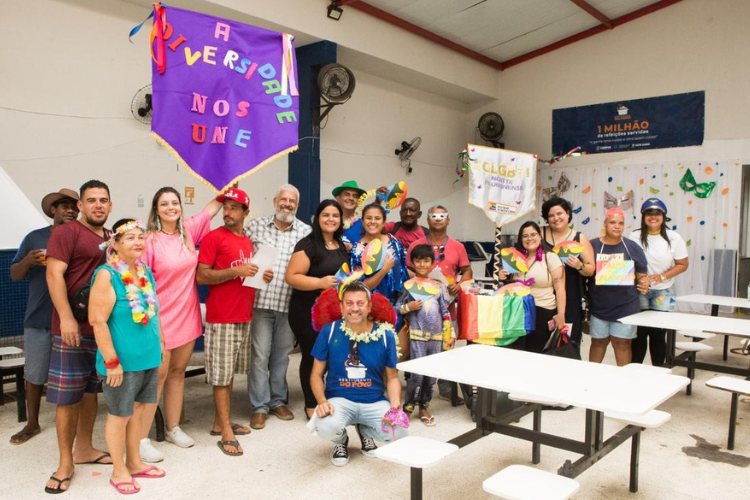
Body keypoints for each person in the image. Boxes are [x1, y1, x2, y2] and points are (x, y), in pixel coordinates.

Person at [138, 188, 223, 461]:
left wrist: (228, 185)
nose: (171, 207)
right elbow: (141, 284)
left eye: (175, 202)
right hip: (160, 319)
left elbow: (212, 207)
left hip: (187, 315)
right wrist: (151, 321)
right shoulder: (149, 240)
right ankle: (141, 438)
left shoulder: (189, 231)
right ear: (156, 209)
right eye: (164, 203)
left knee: (177, 373)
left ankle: (174, 428)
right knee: (157, 377)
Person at [44, 180, 114, 494]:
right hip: (71, 330)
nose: (98, 205)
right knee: (66, 398)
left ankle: (84, 448)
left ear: (110, 205)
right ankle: (64, 462)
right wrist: (68, 318)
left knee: (89, 393)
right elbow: (53, 273)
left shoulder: (113, 237)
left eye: (103, 200)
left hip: (101, 331)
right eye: (92, 200)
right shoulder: (67, 233)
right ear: (81, 206)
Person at [89, 219, 165, 494]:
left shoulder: (144, 271)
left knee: (140, 411)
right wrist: (111, 362)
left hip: (148, 357)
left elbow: (154, 312)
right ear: (115, 244)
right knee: (120, 414)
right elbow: (97, 321)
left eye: (140, 237)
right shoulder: (107, 275)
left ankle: (134, 462)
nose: (137, 242)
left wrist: (161, 345)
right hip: (121, 362)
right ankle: (118, 469)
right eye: (129, 237)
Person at [196, 188, 271, 456]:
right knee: (220, 375)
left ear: (245, 213)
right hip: (222, 316)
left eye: (234, 208)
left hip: (244, 314)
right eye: (225, 207)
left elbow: (246, 277)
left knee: (229, 374)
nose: (227, 212)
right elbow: (202, 276)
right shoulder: (213, 238)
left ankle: (220, 422)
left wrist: (263, 276)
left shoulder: (247, 243)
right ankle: (225, 431)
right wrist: (235, 271)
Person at [9, 188, 79, 445]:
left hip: (73, 319)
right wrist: (27, 260)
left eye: (74, 205)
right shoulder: (34, 238)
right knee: (35, 373)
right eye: (63, 205)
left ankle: (77, 421)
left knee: (76, 373)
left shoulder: (83, 236)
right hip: (39, 318)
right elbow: (15, 274)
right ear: (53, 210)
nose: (70, 210)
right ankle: (32, 423)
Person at [311, 281, 407, 466]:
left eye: (360, 303)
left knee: (400, 432)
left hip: (374, 400)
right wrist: (322, 402)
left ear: (369, 306)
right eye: (349, 303)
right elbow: (316, 374)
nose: (354, 308)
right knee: (325, 427)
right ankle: (340, 441)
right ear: (341, 306)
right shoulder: (329, 331)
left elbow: (392, 377)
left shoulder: (385, 335)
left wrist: (395, 406)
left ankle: (365, 431)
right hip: (339, 400)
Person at [244, 184, 311, 430]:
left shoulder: (306, 232)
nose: (287, 204)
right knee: (260, 355)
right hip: (260, 302)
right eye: (283, 199)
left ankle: (277, 401)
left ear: (297, 205)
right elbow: (239, 251)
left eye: (292, 201)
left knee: (281, 356)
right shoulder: (255, 226)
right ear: (274, 202)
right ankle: (259, 407)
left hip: (289, 303)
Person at [286, 200, 349, 421]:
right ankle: (312, 403)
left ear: (341, 220)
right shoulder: (308, 245)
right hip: (307, 312)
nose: (330, 219)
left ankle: (329, 397)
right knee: (313, 356)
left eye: (335, 215)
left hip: (334, 312)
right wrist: (320, 283)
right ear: (317, 218)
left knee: (334, 357)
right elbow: (292, 277)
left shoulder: (341, 245)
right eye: (325, 215)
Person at [407, 205, 472, 401]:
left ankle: (445, 388)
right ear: (427, 220)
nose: (438, 219)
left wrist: (459, 284)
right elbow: (408, 270)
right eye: (433, 216)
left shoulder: (458, 247)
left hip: (447, 307)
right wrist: (422, 283)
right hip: (420, 306)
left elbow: (467, 271)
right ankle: (414, 385)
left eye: (442, 216)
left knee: (446, 345)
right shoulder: (416, 244)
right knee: (417, 344)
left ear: (448, 220)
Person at [394, 244, 451, 426]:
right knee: (416, 375)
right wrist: (407, 308)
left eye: (426, 260)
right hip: (417, 336)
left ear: (432, 263)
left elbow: (445, 312)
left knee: (431, 375)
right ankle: (408, 407)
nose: (422, 264)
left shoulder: (438, 287)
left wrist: (450, 332)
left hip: (436, 338)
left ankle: (424, 406)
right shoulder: (409, 286)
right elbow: (396, 308)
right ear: (413, 263)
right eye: (418, 261)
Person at [628, 198, 689, 366]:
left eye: (657, 214)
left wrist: (662, 277)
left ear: (663, 216)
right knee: (639, 333)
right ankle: (635, 373)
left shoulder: (674, 238)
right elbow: (628, 262)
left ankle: (658, 372)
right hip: (640, 289)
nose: (653, 217)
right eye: (649, 213)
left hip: (664, 291)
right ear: (643, 216)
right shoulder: (634, 236)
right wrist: (641, 279)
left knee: (658, 334)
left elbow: (683, 264)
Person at [588, 208, 650, 366]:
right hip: (599, 307)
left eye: (620, 223)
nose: (617, 226)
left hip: (626, 307)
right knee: (598, 342)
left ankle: (624, 381)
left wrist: (644, 283)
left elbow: (642, 274)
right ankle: (590, 378)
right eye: (612, 222)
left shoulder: (632, 247)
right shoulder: (592, 245)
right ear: (605, 224)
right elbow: (585, 271)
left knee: (622, 343)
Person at [499, 221, 566, 354]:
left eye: (533, 234)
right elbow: (511, 285)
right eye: (525, 236)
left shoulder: (551, 257)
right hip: (518, 310)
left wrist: (561, 315)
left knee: (536, 352)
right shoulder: (514, 258)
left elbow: (560, 288)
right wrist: (503, 276)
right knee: (517, 350)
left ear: (540, 237)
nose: (530, 238)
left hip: (543, 310)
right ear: (520, 239)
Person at [541, 197, 594, 348]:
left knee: (567, 340)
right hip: (543, 296)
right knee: (540, 339)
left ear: (568, 213)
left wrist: (579, 266)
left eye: (560, 213)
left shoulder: (579, 238)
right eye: (551, 215)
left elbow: (590, 270)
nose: (556, 218)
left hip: (571, 295)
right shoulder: (539, 234)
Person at [350, 203, 407, 308]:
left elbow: (404, 270)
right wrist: (384, 269)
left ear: (384, 222)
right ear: (362, 221)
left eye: (377, 218)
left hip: (398, 306)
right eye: (368, 218)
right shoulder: (358, 250)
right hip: (371, 308)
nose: (372, 222)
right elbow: (360, 287)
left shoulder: (392, 241)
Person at [332, 180, 367, 245]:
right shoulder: (329, 221)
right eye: (347, 194)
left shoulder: (364, 226)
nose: (351, 198)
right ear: (338, 198)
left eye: (355, 196)